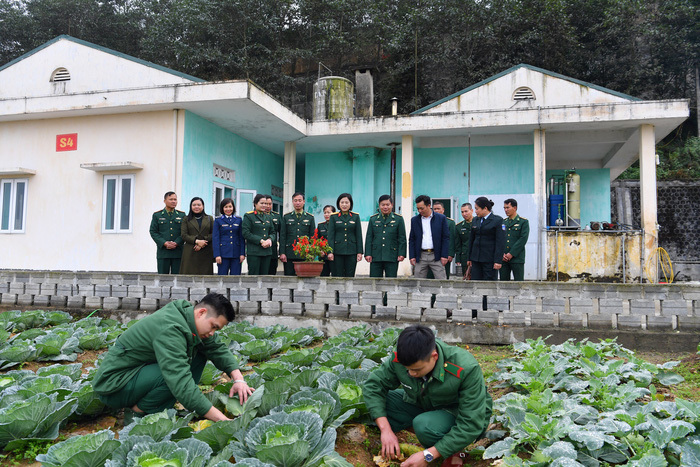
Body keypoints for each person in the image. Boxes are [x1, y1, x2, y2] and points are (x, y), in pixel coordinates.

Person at [92, 293, 254, 422]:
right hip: (114, 385)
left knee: (200, 352)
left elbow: (216, 347)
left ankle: (154, 406)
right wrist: (222, 419)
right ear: (201, 312)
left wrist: (238, 379)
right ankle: (138, 413)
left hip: (135, 375)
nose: (212, 333)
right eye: (213, 326)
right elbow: (180, 381)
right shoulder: (171, 329)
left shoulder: (187, 317)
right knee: (171, 376)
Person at [363, 325, 492, 467]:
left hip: (459, 413)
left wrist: (428, 456)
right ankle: (433, 436)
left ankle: (453, 450)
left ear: (434, 356)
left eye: (416, 369)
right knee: (378, 405)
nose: (411, 374)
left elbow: (471, 423)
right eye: (407, 369)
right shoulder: (402, 356)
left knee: (423, 425)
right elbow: (373, 386)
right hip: (424, 403)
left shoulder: (465, 367)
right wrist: (385, 430)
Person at [408, 195, 449, 279]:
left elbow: (445, 238)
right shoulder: (415, 220)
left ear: (429, 206)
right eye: (418, 208)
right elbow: (412, 239)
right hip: (421, 255)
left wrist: (444, 255)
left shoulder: (441, 219)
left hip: (436, 255)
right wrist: (412, 256)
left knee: (441, 281)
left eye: (422, 208)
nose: (420, 211)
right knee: (418, 282)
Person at [365, 195, 406, 278]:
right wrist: (368, 253)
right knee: (375, 281)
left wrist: (402, 253)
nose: (385, 207)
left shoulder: (398, 219)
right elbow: (369, 238)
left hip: (392, 255)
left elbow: (402, 238)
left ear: (392, 205)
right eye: (383, 205)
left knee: (391, 281)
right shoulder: (373, 219)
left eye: (387, 204)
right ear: (379, 206)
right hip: (376, 255)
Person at [467, 197, 505, 281]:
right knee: (476, 283)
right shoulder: (475, 220)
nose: (475, 211)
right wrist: (469, 258)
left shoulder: (497, 220)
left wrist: (498, 261)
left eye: (477, 209)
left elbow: (500, 242)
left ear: (485, 208)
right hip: (476, 258)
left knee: (489, 285)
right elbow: (471, 240)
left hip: (489, 259)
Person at [327, 193, 363, 277]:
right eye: (342, 202)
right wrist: (330, 252)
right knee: (337, 275)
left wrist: (360, 252)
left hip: (352, 251)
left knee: (350, 275)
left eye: (346, 202)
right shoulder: (333, 217)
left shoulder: (355, 217)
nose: (344, 205)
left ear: (350, 204)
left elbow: (358, 235)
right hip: (337, 251)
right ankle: (337, 290)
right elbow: (331, 236)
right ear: (338, 204)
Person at [280, 192, 316, 276]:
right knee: (289, 278)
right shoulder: (286, 217)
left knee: (304, 279)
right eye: (295, 200)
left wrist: (311, 253)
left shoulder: (310, 217)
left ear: (304, 202)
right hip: (289, 253)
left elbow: (312, 236)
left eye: (300, 200)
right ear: (292, 202)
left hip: (304, 253)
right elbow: (283, 236)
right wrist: (282, 253)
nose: (297, 203)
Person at [149, 191, 185, 274]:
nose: (173, 201)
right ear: (165, 201)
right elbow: (153, 231)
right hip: (163, 252)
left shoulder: (182, 215)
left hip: (178, 252)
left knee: (177, 278)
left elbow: (184, 232)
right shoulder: (157, 215)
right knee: (162, 278)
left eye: (175, 199)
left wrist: (176, 243)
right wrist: (164, 243)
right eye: (171, 199)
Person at [180, 197, 214, 275]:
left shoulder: (209, 218)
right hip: (190, 252)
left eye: (199, 205)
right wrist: (196, 241)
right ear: (191, 206)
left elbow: (213, 234)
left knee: (205, 277)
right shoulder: (186, 219)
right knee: (188, 276)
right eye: (194, 205)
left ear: (203, 206)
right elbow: (184, 235)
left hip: (206, 251)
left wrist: (203, 242)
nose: (196, 207)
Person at [242, 194, 274, 275]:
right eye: (262, 203)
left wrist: (269, 240)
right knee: (254, 277)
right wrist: (260, 241)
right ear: (255, 204)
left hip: (267, 252)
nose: (264, 205)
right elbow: (246, 233)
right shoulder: (249, 216)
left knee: (265, 276)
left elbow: (273, 232)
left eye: (266, 203)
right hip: (254, 252)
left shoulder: (268, 217)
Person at [213, 198, 245, 276]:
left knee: (235, 277)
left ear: (233, 207)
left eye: (230, 206)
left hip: (236, 253)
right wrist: (217, 255)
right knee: (222, 277)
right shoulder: (218, 220)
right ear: (222, 208)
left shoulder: (238, 220)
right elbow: (215, 238)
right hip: (223, 254)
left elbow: (241, 238)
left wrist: (242, 253)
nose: (228, 209)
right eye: (226, 207)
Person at [500, 198, 530, 281]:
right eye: (504, 208)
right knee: (504, 283)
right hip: (504, 258)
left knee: (519, 282)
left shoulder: (523, 222)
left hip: (517, 258)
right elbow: (500, 239)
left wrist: (511, 253)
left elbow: (522, 239)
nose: (506, 210)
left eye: (508, 207)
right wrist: (502, 253)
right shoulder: (503, 222)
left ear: (515, 208)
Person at [430, 201, 456, 279]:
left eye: (438, 208)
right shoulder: (429, 221)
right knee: (430, 275)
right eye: (434, 209)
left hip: (445, 254)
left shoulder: (450, 222)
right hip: (432, 253)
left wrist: (450, 254)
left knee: (444, 275)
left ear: (443, 210)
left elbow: (452, 239)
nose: (436, 211)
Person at [265, 195, 283, 275]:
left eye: (270, 204)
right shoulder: (256, 216)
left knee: (272, 273)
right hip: (261, 250)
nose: (268, 206)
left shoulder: (276, 216)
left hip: (273, 251)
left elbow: (281, 233)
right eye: (266, 204)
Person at [455, 203, 474, 278]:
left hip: (477, 255)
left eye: (466, 211)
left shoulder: (478, 223)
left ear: (472, 211)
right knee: (466, 277)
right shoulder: (459, 226)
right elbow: (458, 244)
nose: (464, 214)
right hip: (465, 256)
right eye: (462, 212)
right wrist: (458, 258)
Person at [317, 205, 335, 277]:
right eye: (325, 213)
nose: (326, 215)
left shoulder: (337, 225)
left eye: (329, 212)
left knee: (335, 276)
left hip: (334, 255)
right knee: (323, 276)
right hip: (323, 256)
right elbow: (317, 240)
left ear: (333, 213)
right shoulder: (320, 225)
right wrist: (319, 250)